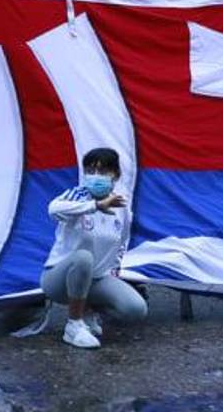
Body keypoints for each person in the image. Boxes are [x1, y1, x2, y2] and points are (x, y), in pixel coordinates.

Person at [42, 148, 148, 349]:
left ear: (115, 175)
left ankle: (89, 312)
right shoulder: (77, 195)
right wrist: (95, 205)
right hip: (59, 280)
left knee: (135, 309)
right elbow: (53, 209)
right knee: (83, 258)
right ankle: (73, 325)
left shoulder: (122, 207)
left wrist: (113, 277)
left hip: (95, 280)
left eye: (103, 172)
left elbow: (120, 246)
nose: (96, 177)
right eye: (91, 171)